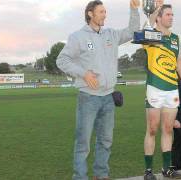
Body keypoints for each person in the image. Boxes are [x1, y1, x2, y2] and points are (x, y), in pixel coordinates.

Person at [56, 1, 140, 179]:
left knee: (106, 141)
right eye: (101, 12)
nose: (105, 15)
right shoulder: (77, 37)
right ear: (90, 14)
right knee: (83, 143)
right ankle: (80, 177)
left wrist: (134, 9)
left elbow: (133, 31)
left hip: (108, 98)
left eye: (105, 12)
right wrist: (84, 73)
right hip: (88, 98)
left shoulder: (111, 34)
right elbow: (62, 60)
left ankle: (101, 175)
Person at [142, 4, 181, 180]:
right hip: (155, 88)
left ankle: (166, 169)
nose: (171, 17)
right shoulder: (151, 35)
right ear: (159, 17)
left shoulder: (175, 39)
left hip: (172, 89)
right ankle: (148, 171)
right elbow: (147, 24)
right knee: (152, 129)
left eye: (172, 14)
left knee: (168, 129)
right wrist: (157, 6)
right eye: (168, 14)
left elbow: (180, 62)